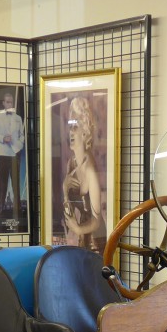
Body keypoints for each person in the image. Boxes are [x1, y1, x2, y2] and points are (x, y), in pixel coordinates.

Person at [61, 94, 106, 252]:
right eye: (70, 128)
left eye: (75, 127)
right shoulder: (71, 163)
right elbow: (67, 202)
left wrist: (78, 229)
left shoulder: (90, 170)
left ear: (85, 132)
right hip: (77, 237)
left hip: (94, 242)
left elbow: (96, 220)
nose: (71, 133)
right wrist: (64, 185)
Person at [0, 89, 24, 224]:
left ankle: (18, 207)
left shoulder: (18, 118)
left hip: (15, 153)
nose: (9, 104)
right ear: (3, 103)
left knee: (16, 183)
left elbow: (21, 134)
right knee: (2, 183)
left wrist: (19, 144)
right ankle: (0, 207)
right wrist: (3, 138)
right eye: (7, 102)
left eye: (11, 102)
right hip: (2, 153)